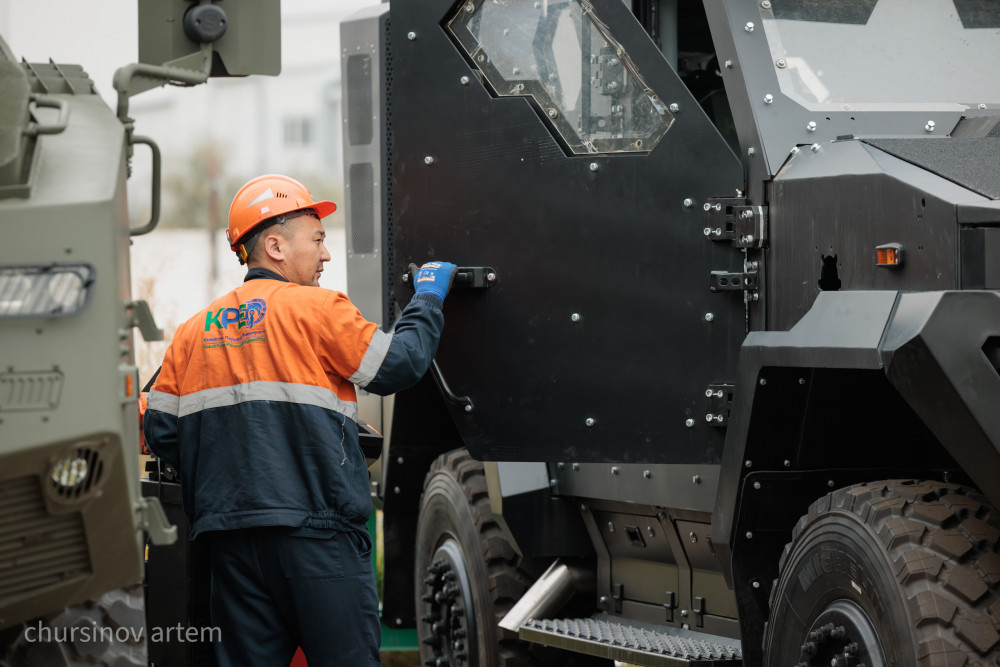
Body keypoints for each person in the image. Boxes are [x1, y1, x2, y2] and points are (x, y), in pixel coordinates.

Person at [143, 174, 456, 666]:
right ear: (275, 246)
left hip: (230, 546)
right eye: (318, 239)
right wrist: (430, 297)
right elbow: (398, 364)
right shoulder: (317, 309)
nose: (326, 254)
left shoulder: (192, 332)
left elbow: (160, 430)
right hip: (318, 536)